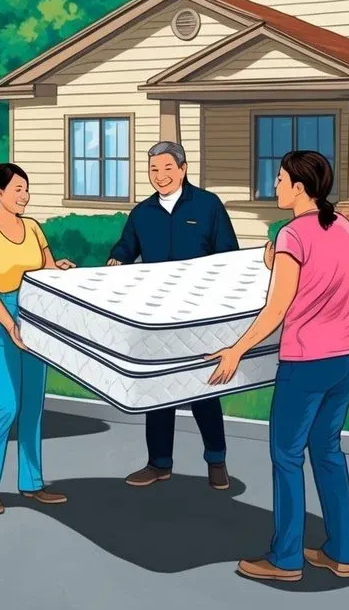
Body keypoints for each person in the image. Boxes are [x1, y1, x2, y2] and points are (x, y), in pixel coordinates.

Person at [204, 150, 349, 583]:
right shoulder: (345, 228)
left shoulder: (291, 235)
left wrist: (236, 350)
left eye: (279, 179)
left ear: (299, 187)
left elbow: (276, 308)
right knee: (328, 450)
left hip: (308, 361)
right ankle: (341, 552)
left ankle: (286, 559)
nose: (274, 185)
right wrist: (335, 323)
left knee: (287, 455)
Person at [107, 140, 238, 490]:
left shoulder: (208, 206)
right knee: (158, 388)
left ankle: (216, 461)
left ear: (183, 169)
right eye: (154, 169)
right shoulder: (143, 213)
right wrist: (117, 259)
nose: (160, 175)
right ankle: (159, 463)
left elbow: (228, 255)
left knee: (203, 388)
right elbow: (126, 247)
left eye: (167, 168)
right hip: (157, 315)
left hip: (200, 314)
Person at [0, 162, 76, 515]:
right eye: (18, 190)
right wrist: (11, 326)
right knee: (6, 404)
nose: (24, 196)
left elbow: (46, 268)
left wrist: (58, 268)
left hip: (33, 317)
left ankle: (32, 483)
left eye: (26, 190)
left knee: (32, 405)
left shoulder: (33, 228)